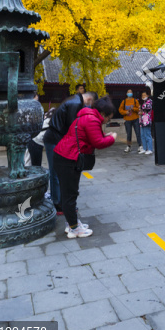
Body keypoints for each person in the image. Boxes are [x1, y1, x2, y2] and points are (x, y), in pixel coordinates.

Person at [53, 97, 117, 238]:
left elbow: (91, 137)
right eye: (109, 118)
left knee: (68, 193)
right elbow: (99, 142)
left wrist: (105, 135)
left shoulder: (86, 116)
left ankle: (71, 223)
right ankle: (75, 229)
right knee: (70, 194)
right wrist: (112, 138)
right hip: (68, 158)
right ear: (104, 114)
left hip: (64, 156)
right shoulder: (92, 120)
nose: (108, 121)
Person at [44, 90, 98, 214]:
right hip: (54, 139)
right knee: (56, 172)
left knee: (60, 173)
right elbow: (73, 126)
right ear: (90, 100)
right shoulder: (75, 104)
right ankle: (57, 203)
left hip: (57, 138)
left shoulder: (74, 99)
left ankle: (62, 202)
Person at [26, 92, 46, 168]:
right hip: (33, 137)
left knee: (28, 159)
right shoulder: (34, 107)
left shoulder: (30, 107)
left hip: (30, 136)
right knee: (33, 162)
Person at [119, 89, 141, 153]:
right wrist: (125, 112)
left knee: (138, 133)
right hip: (127, 120)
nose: (129, 93)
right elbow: (120, 110)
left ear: (132, 93)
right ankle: (128, 146)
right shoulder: (124, 101)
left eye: (131, 92)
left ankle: (140, 146)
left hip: (135, 119)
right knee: (128, 134)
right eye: (128, 92)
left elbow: (138, 109)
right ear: (126, 93)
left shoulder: (135, 100)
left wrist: (133, 108)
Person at [138, 89, 154, 155]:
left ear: (147, 95)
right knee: (142, 135)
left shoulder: (149, 101)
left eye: (144, 95)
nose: (143, 96)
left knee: (147, 135)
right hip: (142, 121)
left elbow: (147, 108)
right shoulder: (144, 102)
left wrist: (141, 109)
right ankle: (144, 148)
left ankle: (150, 149)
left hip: (147, 121)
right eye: (142, 95)